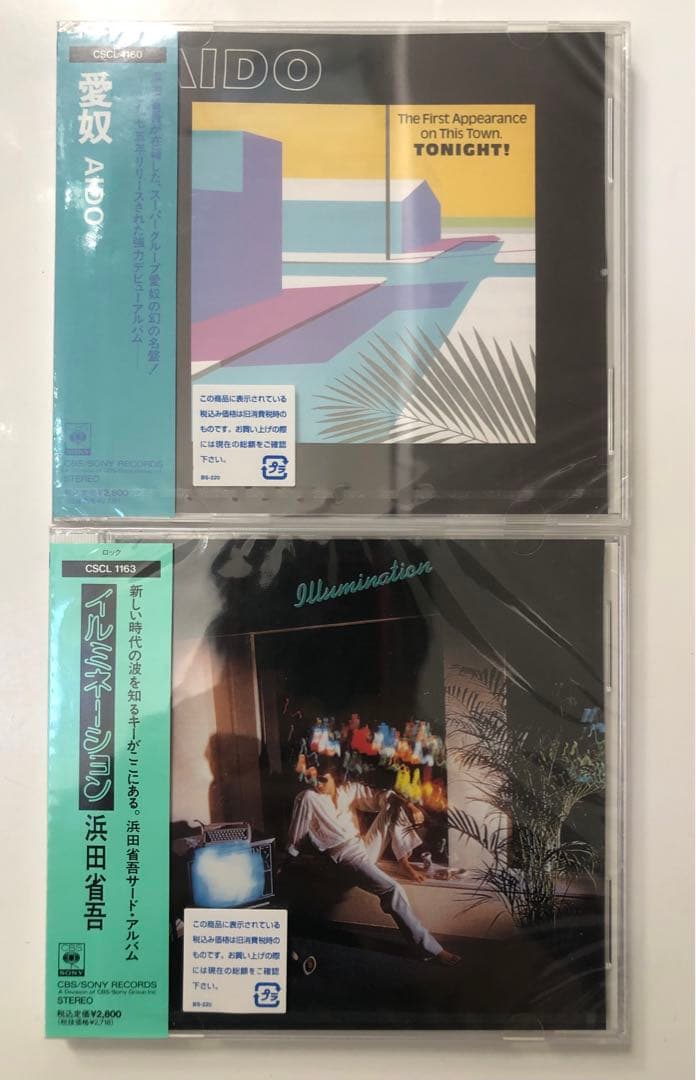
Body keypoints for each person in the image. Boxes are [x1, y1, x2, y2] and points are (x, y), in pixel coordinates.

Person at [284, 762, 460, 965]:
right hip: (344, 855)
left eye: (323, 779)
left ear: (335, 777)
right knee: (393, 889)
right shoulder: (308, 797)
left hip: (362, 847)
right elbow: (295, 837)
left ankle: (402, 860)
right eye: (313, 779)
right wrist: (289, 861)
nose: (318, 784)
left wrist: (409, 805)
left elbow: (384, 797)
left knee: (393, 804)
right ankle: (431, 950)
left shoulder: (348, 790)